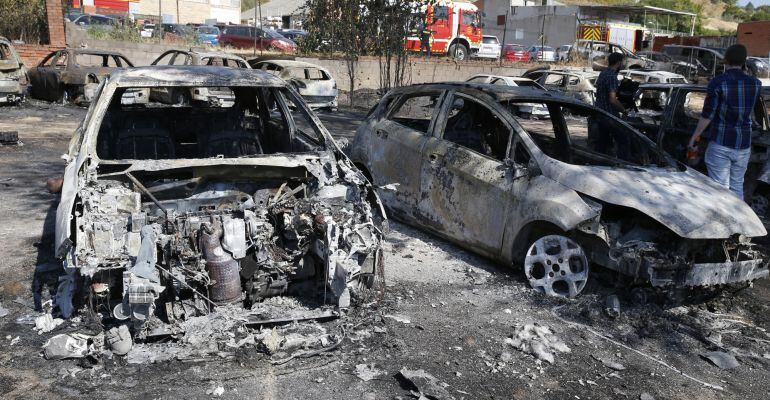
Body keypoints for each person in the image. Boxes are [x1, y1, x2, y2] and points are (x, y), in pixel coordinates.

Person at [688, 44, 762, 199]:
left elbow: (708, 115)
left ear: (725, 60)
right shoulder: (756, 84)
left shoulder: (718, 82)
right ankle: (739, 220)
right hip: (743, 145)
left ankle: (721, 221)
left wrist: (695, 137)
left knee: (720, 190)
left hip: (721, 143)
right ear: (744, 61)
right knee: (736, 186)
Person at [590, 52, 629, 159]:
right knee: (623, 139)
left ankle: (598, 162)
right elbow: (612, 99)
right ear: (619, 62)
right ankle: (624, 163)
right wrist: (624, 110)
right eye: (622, 62)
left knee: (602, 141)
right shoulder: (612, 76)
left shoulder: (603, 73)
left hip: (600, 113)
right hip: (610, 116)